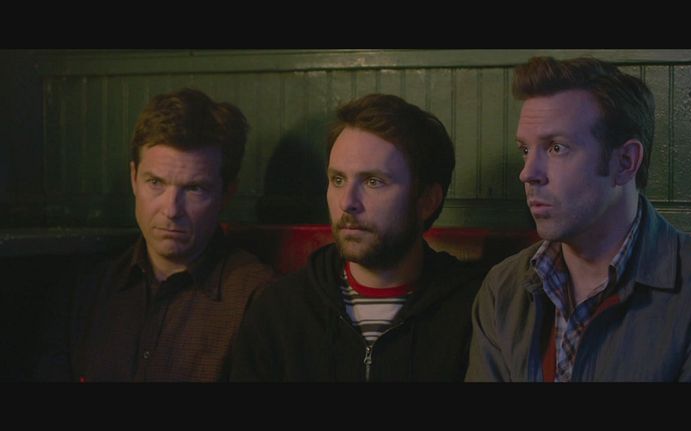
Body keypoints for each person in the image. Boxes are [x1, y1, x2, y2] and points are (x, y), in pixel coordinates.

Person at [466, 56, 691, 382]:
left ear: (625, 162)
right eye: (525, 150)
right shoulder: (503, 288)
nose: (528, 173)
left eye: (556, 148)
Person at [231, 93, 486, 381]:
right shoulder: (279, 310)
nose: (347, 202)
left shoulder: (474, 309)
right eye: (338, 180)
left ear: (427, 201)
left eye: (373, 181)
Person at [36, 88, 275, 382]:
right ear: (134, 178)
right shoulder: (87, 291)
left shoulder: (255, 298)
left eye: (194, 188)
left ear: (226, 194)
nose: (171, 210)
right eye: (155, 183)